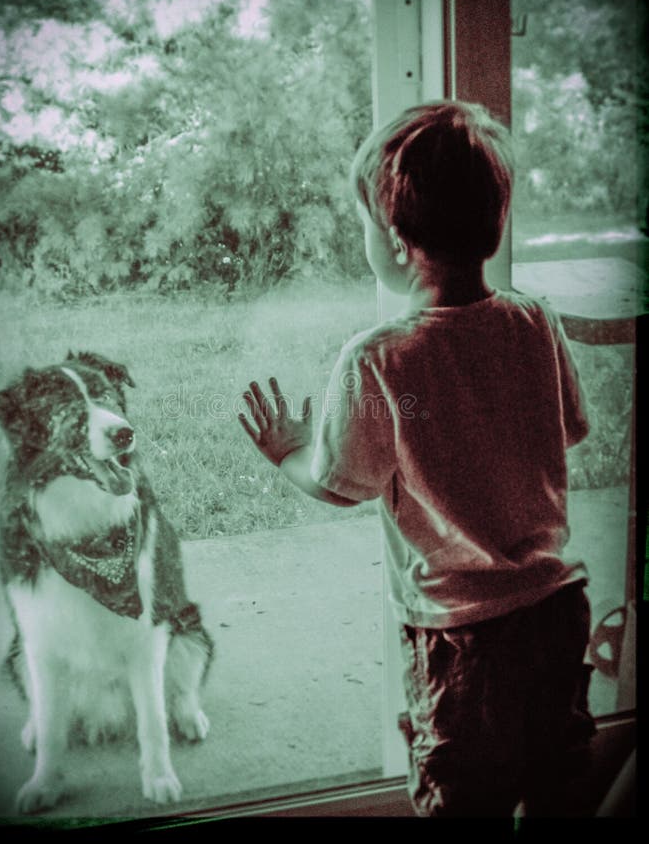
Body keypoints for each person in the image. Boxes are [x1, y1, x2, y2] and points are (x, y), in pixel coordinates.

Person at [238, 100, 596, 818]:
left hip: (459, 632)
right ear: (493, 222)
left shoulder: (378, 360)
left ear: (396, 242)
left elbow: (342, 485)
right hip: (556, 611)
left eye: (366, 226)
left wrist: (287, 452)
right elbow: (570, 429)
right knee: (554, 782)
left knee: (462, 795)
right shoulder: (534, 320)